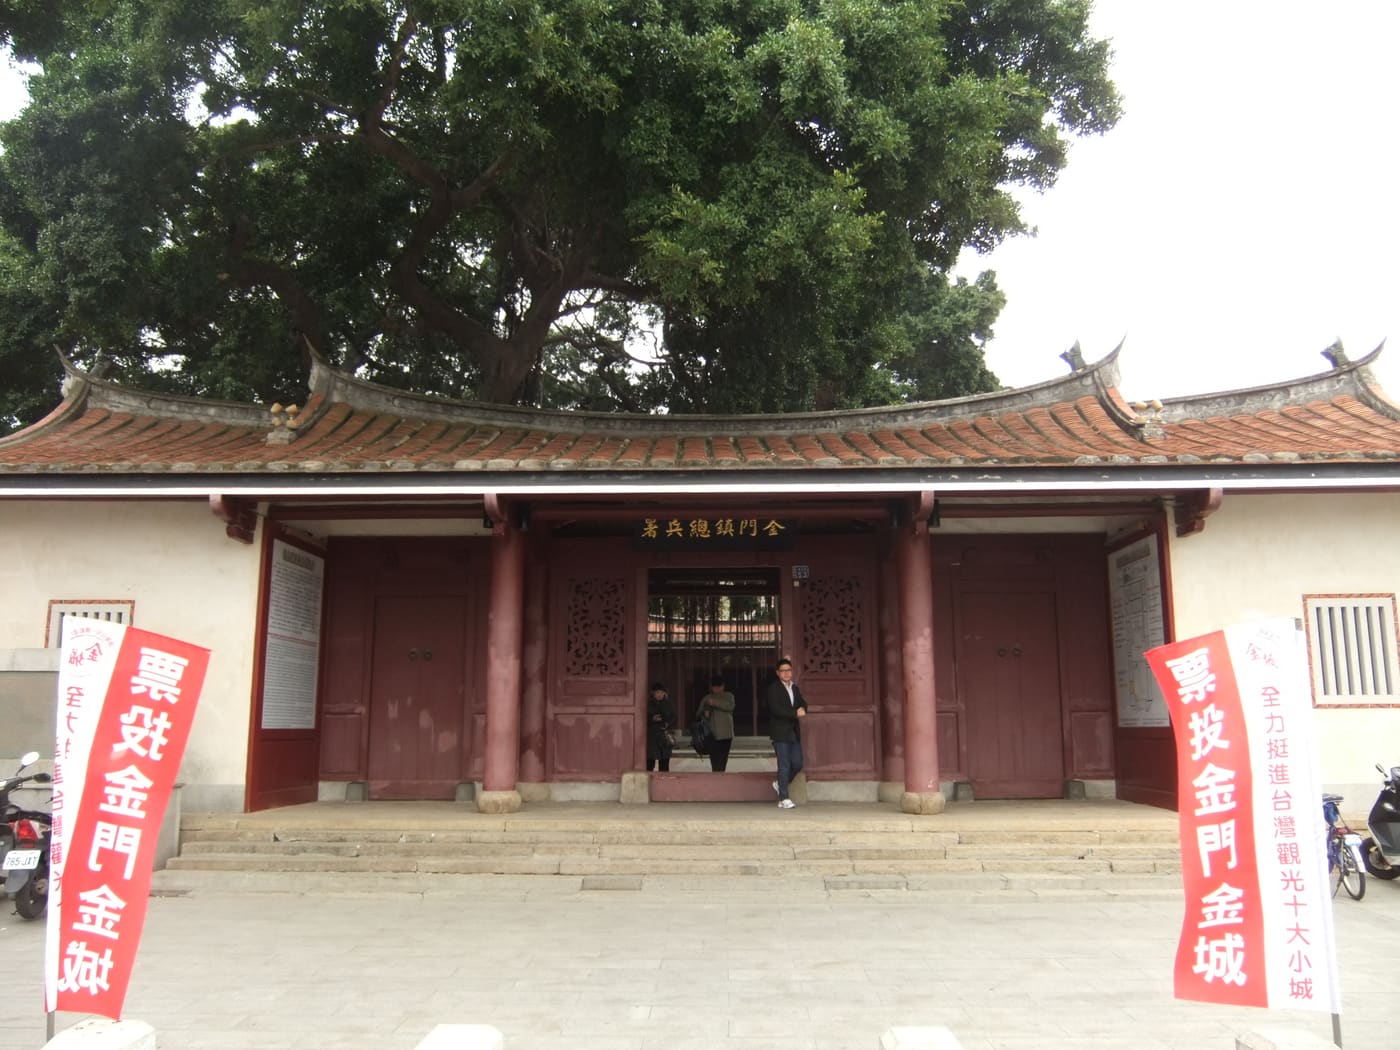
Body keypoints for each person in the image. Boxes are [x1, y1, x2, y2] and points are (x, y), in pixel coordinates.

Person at [766, 657, 807, 808]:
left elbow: (802, 702)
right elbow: (776, 709)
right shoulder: (773, 689)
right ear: (778, 673)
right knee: (784, 765)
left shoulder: (794, 688)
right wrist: (795, 713)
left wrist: (803, 708)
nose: (786, 673)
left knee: (797, 763)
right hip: (780, 731)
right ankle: (783, 798)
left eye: (788, 670)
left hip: (793, 731)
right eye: (783, 671)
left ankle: (779, 784)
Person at [697, 675, 736, 772]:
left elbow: (730, 706)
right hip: (712, 733)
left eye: (719, 686)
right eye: (715, 687)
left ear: (723, 686)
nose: (717, 689)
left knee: (723, 758)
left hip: (726, 733)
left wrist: (714, 702)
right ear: (711, 687)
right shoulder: (707, 697)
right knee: (714, 759)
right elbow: (698, 713)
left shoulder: (728, 696)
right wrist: (705, 711)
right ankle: (716, 775)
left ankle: (721, 774)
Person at [645, 681, 677, 772]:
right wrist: (652, 718)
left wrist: (667, 723)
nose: (659, 695)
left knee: (664, 762)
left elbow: (674, 717)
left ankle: (665, 781)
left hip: (664, 735)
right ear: (653, 693)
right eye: (657, 692)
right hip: (652, 735)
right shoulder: (648, 704)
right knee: (650, 761)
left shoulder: (668, 704)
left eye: (661, 692)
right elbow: (642, 718)